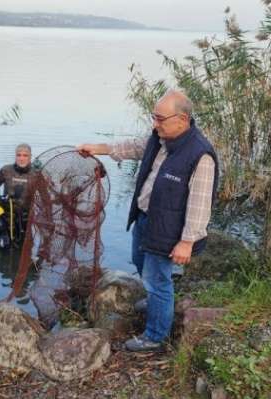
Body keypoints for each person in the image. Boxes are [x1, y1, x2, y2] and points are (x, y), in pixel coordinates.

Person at [78, 89, 219, 353]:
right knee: (140, 262)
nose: (155, 124)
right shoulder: (161, 138)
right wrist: (99, 149)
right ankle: (156, 302)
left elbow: (200, 205)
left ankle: (155, 336)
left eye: (160, 119)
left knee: (158, 280)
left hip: (168, 230)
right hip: (145, 220)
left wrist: (187, 242)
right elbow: (133, 147)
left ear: (183, 119)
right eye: (154, 117)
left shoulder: (200, 155)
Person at [0, 144, 39, 246]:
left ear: (30, 157)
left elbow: (46, 197)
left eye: (25, 155)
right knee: (1, 246)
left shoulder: (36, 174)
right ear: (15, 156)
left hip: (25, 219)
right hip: (6, 217)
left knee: (23, 247)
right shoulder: (6, 170)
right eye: (18, 155)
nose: (21, 158)